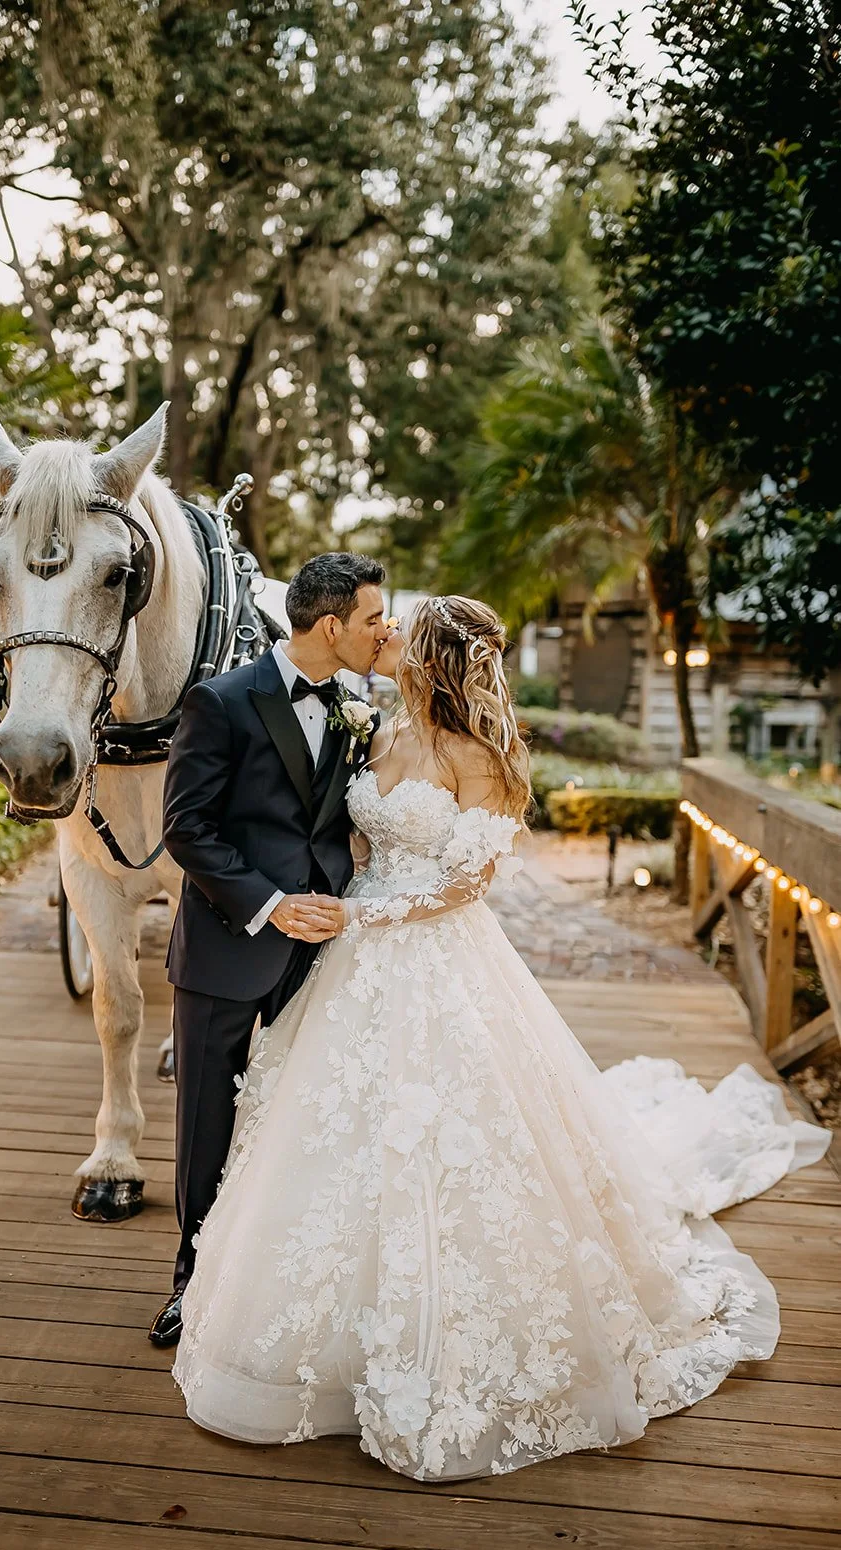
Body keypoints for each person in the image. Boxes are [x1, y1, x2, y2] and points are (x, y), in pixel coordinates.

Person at [171, 595, 831, 1481]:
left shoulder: (480, 756)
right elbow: (345, 835)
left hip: (429, 953)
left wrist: (367, 915)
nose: (384, 635)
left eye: (399, 628)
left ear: (431, 654)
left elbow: (468, 883)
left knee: (455, 1133)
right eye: (379, 622)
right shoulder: (376, 726)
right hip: (351, 959)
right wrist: (337, 897)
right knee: (328, 1127)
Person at [148, 552, 388, 1348]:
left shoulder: (358, 708)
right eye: (372, 619)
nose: (381, 631)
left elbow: (335, 827)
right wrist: (270, 905)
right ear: (331, 625)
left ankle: (267, 1285)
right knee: (205, 1124)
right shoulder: (219, 701)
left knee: (294, 1120)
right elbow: (186, 828)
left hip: (318, 952)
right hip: (228, 945)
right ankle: (190, 1283)